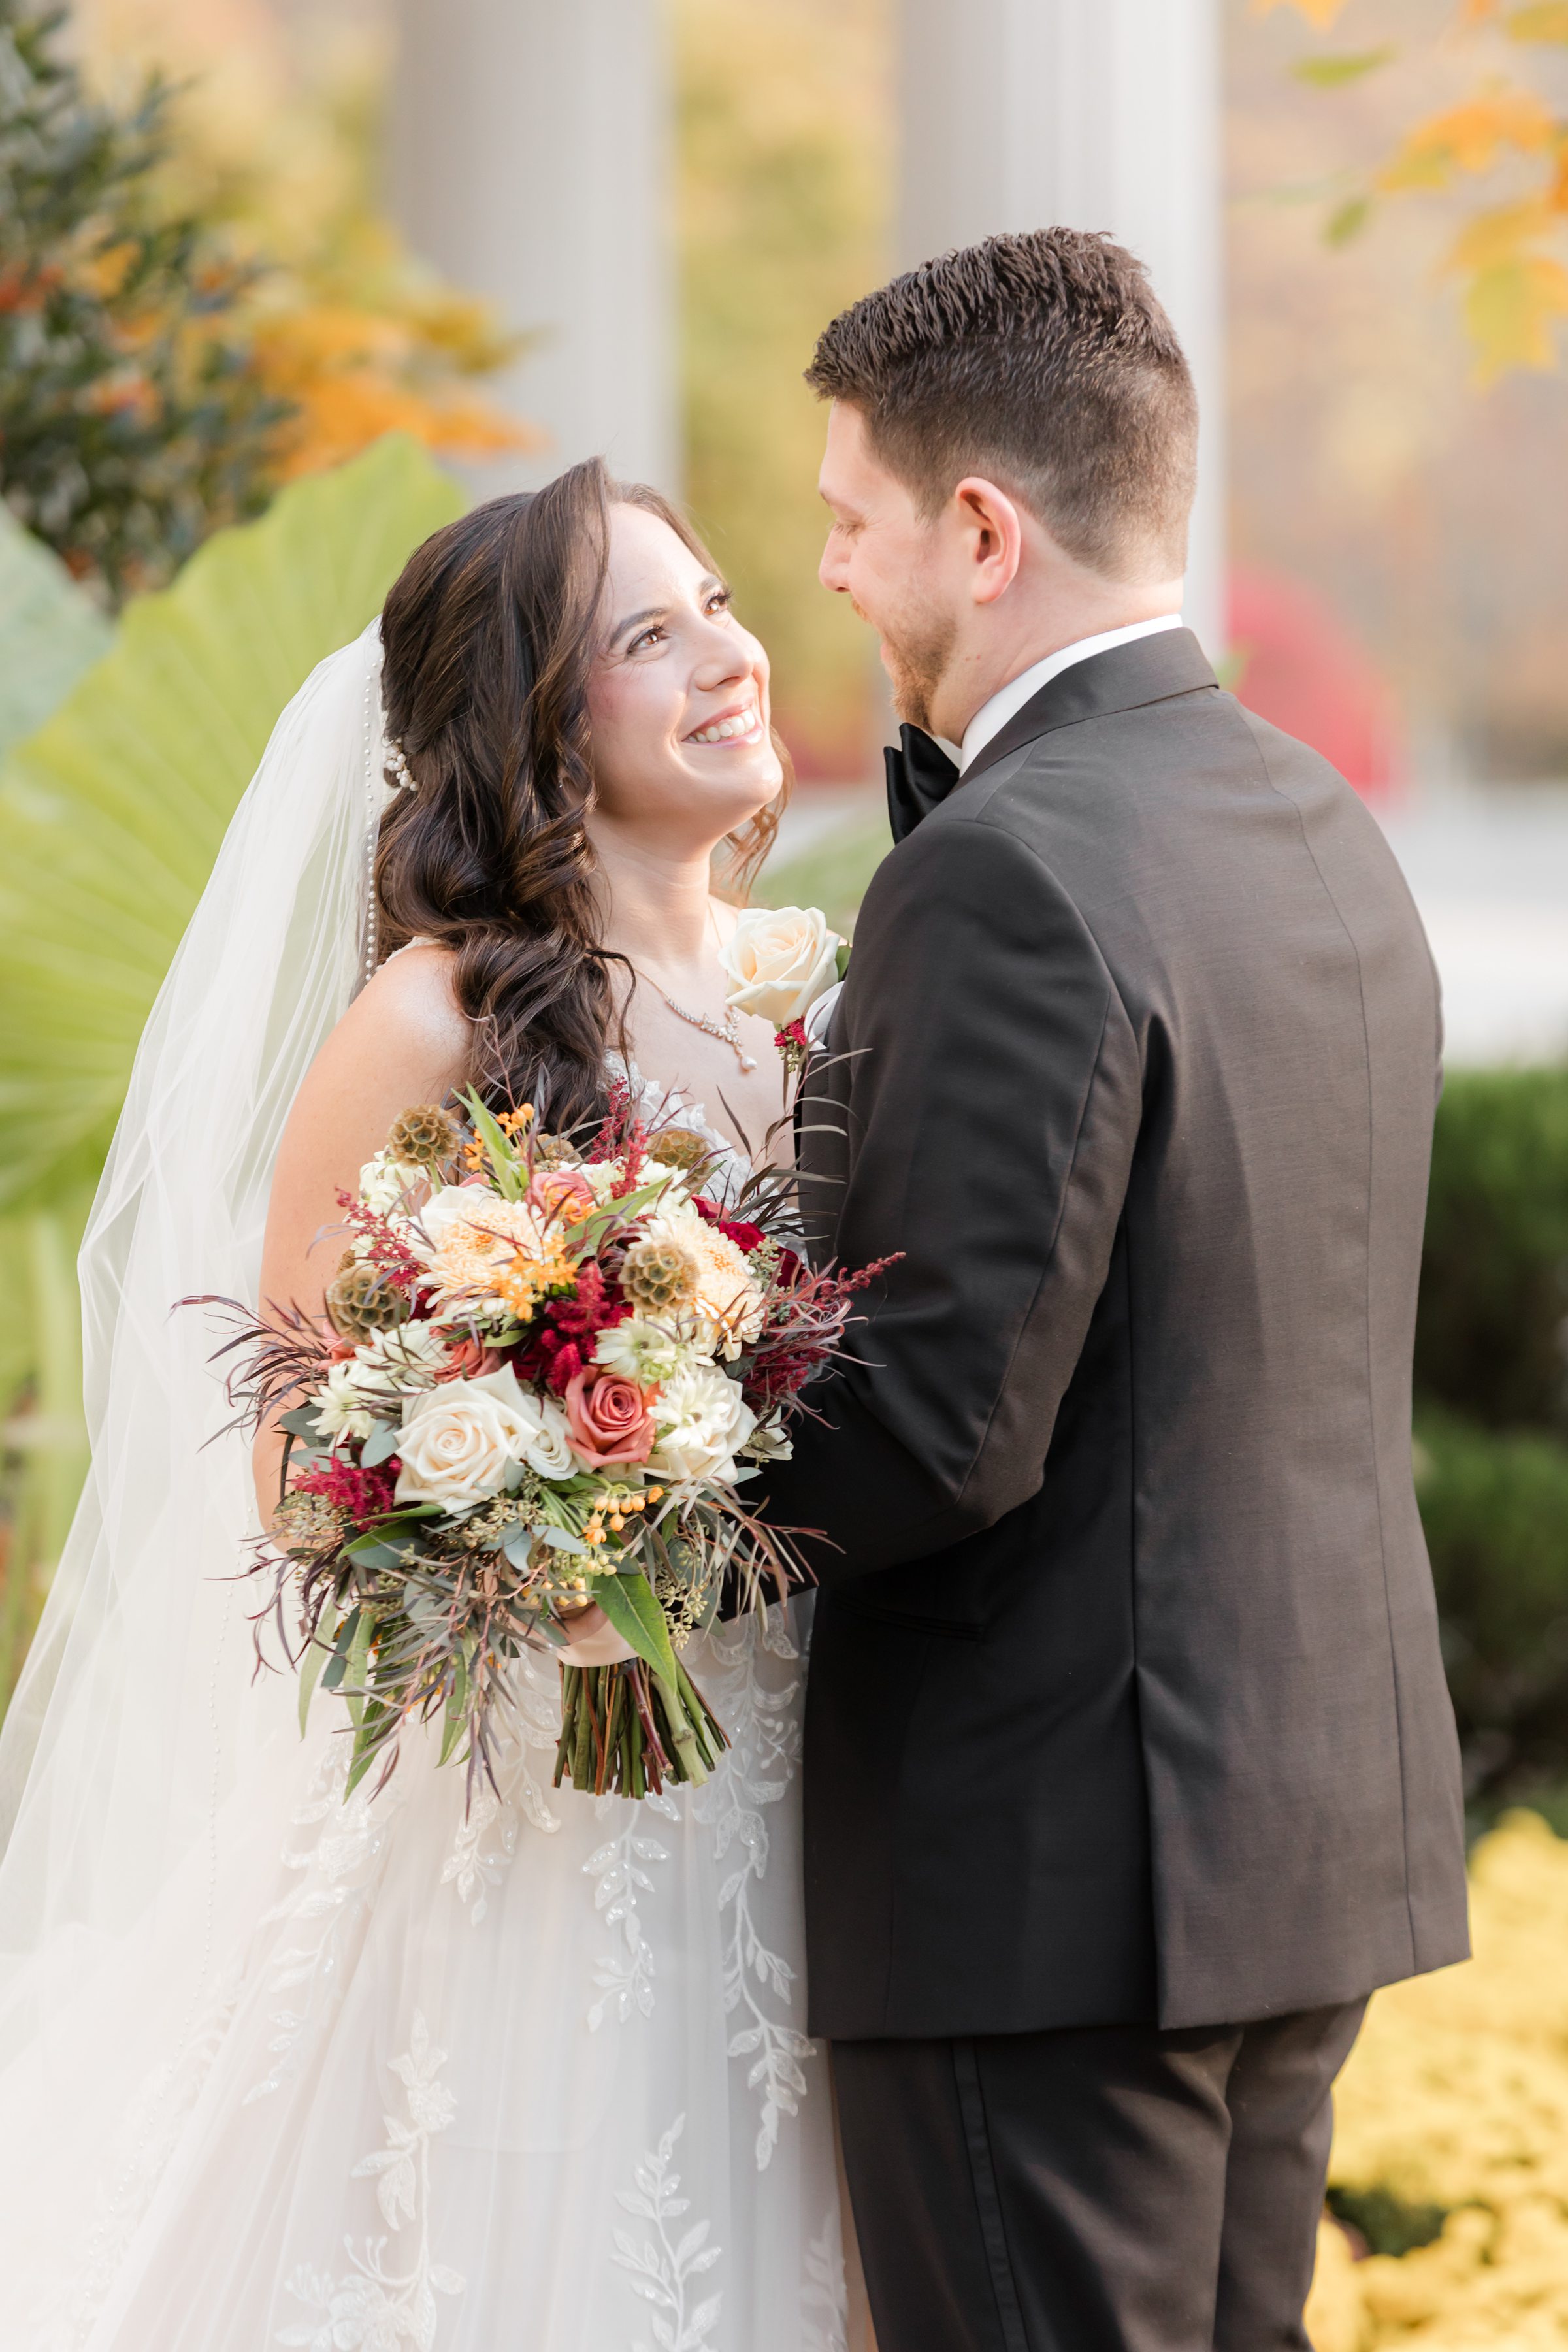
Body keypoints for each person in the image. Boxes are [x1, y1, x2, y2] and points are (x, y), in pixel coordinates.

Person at [0, 465, 854, 2348]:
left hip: (801, 1779)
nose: (729, 654)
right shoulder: (431, 1018)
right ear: (539, 729)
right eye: (650, 634)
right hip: (530, 1806)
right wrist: (521, 1508)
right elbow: (292, 1453)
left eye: (718, 604)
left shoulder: (811, 1001)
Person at [759, 227, 1470, 2352]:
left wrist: (594, 1446)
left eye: (848, 521)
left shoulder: (1002, 864)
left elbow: (931, 1430)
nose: (829, 576)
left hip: (1051, 1886)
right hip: (1290, 1835)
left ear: (980, 531)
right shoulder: (1318, 821)